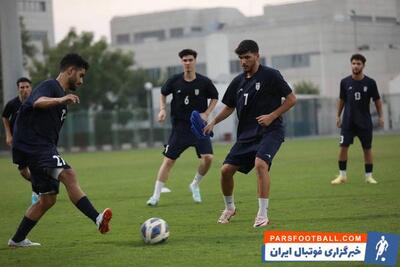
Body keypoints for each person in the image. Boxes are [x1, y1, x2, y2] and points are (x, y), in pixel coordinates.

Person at [8, 53, 112, 248]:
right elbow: (37, 102)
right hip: (36, 147)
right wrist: (61, 99)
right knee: (69, 175)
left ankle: (17, 239)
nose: (81, 81)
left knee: (47, 199)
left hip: (38, 149)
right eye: (80, 75)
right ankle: (97, 219)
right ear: (70, 71)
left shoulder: (60, 95)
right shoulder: (51, 86)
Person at [204, 40, 296, 227]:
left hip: (271, 131)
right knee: (225, 171)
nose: (244, 61)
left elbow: (291, 99)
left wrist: (272, 116)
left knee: (260, 164)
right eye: (241, 58)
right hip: (246, 135)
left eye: (247, 57)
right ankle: (230, 208)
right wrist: (213, 121)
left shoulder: (271, 75)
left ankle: (262, 215)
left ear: (257, 56)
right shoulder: (237, 81)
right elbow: (229, 107)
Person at [146, 49, 219, 206]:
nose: (187, 63)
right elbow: (163, 93)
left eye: (190, 60)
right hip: (179, 128)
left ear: (195, 61)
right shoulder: (174, 80)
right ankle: (155, 197)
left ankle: (194, 184)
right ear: (181, 62)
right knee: (168, 161)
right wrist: (163, 109)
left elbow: (215, 97)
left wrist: (206, 113)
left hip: (199, 127)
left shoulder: (204, 82)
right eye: (184, 60)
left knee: (208, 159)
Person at [331, 54, 384, 185]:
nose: (355, 66)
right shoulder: (345, 82)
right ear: (351, 65)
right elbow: (342, 99)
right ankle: (342, 176)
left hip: (364, 122)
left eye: (358, 63)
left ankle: (369, 177)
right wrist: (338, 116)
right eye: (353, 63)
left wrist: (381, 116)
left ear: (363, 65)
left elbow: (377, 100)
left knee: (367, 149)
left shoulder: (370, 83)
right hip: (348, 121)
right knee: (343, 147)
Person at [2, 77, 39, 203]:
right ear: (18, 89)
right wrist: (8, 134)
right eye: (22, 87)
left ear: (31, 88)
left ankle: (36, 192)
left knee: (34, 167)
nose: (25, 90)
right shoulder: (12, 104)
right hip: (17, 142)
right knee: (23, 171)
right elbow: (5, 117)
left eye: (27, 87)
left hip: (33, 141)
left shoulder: (37, 101)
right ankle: (39, 184)